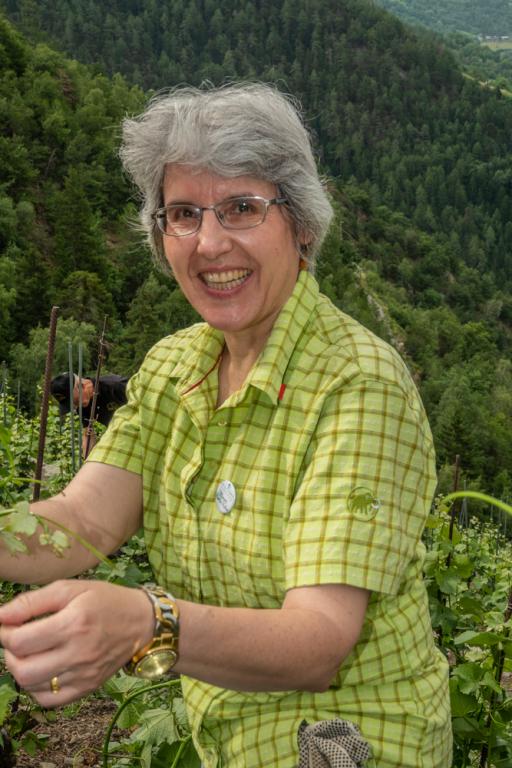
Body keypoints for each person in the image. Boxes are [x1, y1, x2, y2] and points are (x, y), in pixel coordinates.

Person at [0, 83, 452, 767]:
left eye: (242, 208)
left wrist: (147, 622)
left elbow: (319, 640)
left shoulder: (358, 383)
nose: (210, 243)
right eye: (183, 214)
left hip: (351, 744)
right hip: (232, 742)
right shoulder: (175, 365)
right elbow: (84, 520)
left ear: (301, 224)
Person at [50, 372, 128, 454]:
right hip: (123, 439)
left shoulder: (117, 386)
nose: (76, 406)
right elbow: (88, 435)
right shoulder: (83, 406)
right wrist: (87, 459)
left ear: (82, 385)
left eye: (76, 401)